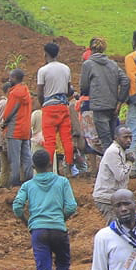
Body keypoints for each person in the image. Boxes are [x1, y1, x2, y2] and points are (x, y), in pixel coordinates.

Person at [13, 149, 80, 270]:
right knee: (63, 263)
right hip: (58, 229)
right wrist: (60, 218)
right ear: (50, 164)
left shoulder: (28, 185)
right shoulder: (62, 182)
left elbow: (17, 207)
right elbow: (72, 206)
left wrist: (27, 221)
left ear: (33, 167)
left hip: (38, 231)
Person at [36, 41, 79, 175]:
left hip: (49, 108)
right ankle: (70, 166)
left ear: (46, 54)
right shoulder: (65, 68)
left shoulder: (43, 70)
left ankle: (48, 168)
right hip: (63, 106)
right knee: (66, 138)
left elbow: (40, 92)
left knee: (50, 140)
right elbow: (68, 89)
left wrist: (43, 103)